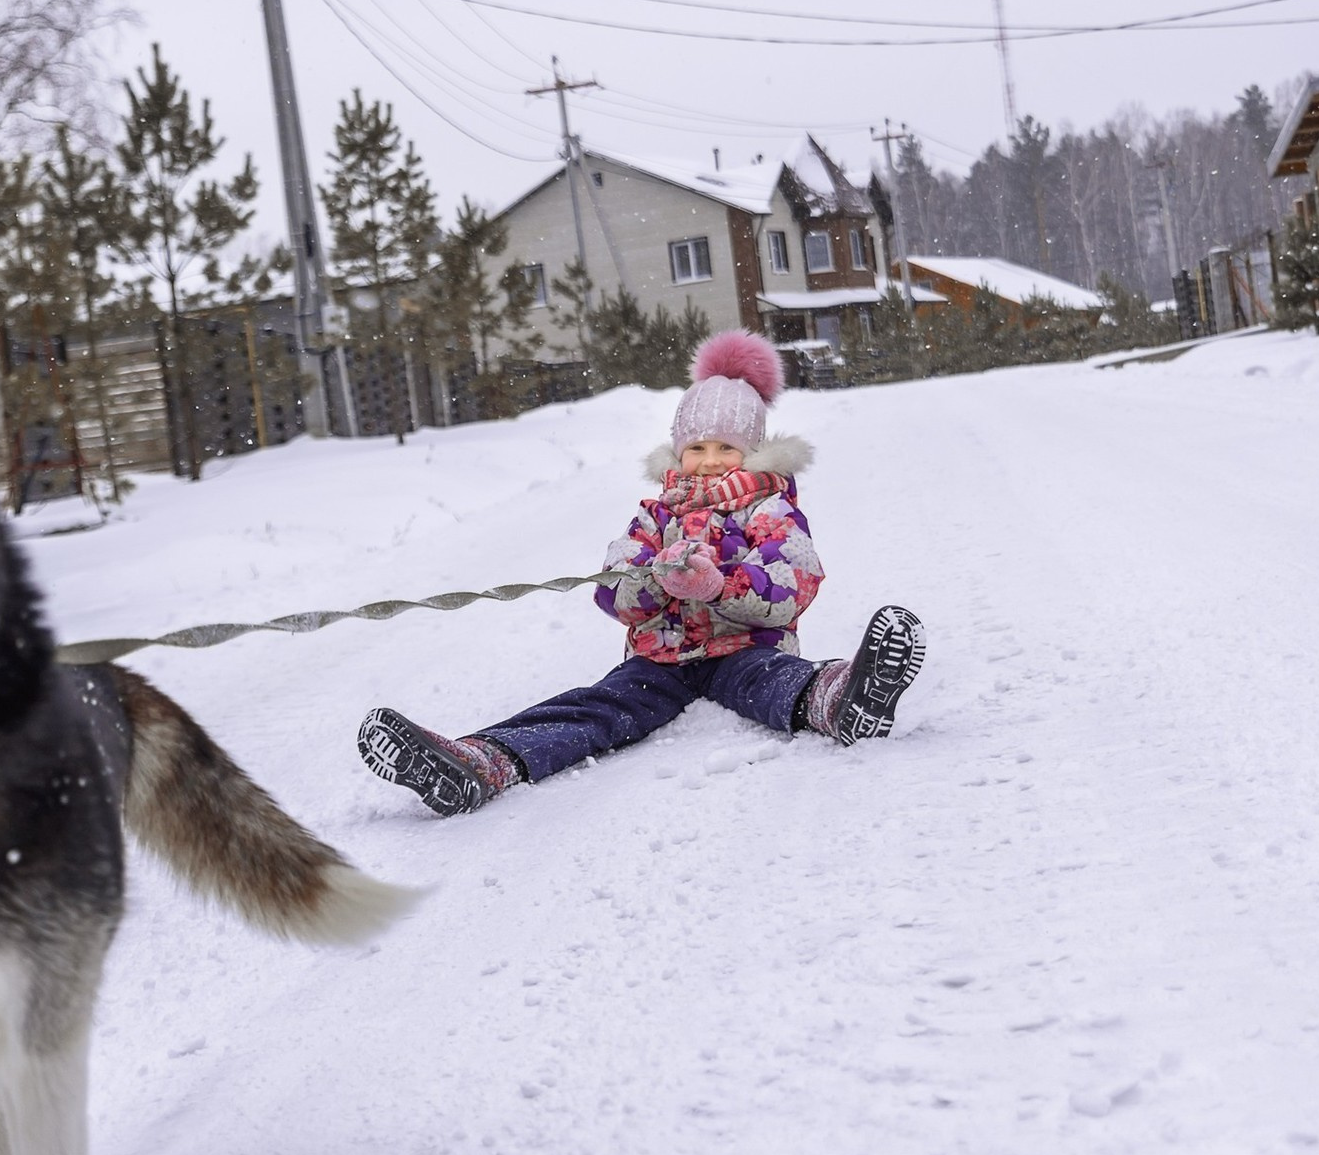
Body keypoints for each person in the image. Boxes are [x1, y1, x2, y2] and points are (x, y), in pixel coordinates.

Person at [357, 328, 924, 816]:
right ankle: (483, 762)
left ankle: (843, 697)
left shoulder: (770, 509)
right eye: (696, 447)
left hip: (743, 651)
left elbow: (791, 583)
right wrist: (652, 581)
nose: (709, 460)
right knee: (597, 707)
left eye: (725, 447)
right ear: (677, 453)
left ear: (752, 450)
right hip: (661, 661)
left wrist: (717, 585)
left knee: (777, 682)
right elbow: (614, 589)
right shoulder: (656, 515)